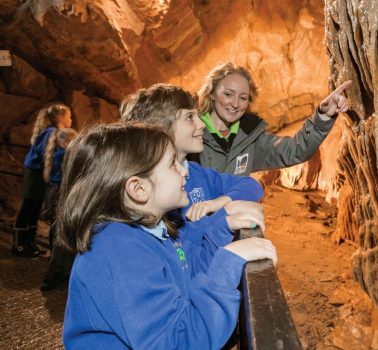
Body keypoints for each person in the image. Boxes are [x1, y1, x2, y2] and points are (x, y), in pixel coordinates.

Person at [55, 123, 277, 349]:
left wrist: (222, 228)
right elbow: (178, 342)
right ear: (139, 189)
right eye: (173, 164)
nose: (184, 171)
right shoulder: (119, 250)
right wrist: (228, 262)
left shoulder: (153, 229)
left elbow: (188, 271)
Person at [119, 84, 264, 238]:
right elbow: (183, 243)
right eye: (189, 118)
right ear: (158, 129)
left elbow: (252, 186)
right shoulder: (156, 187)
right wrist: (224, 215)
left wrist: (219, 202)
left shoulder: (196, 172)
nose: (202, 124)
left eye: (198, 116)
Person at [196, 62, 350, 175]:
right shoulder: (190, 132)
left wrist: (323, 117)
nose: (235, 104)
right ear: (212, 93)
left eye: (243, 98)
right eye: (228, 94)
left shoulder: (250, 140)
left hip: (234, 218)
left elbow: (294, 150)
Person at [12, 103, 72, 257]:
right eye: (69, 116)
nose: (70, 120)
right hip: (35, 174)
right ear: (61, 117)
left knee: (34, 209)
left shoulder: (51, 131)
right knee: (28, 208)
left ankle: (29, 243)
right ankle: (19, 245)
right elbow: (44, 154)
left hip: (39, 174)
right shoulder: (51, 132)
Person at [39, 127, 78, 291]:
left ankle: (63, 271)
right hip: (63, 195)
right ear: (66, 142)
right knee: (62, 238)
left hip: (58, 194)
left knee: (61, 235)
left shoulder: (56, 153)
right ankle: (53, 273)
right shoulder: (64, 156)